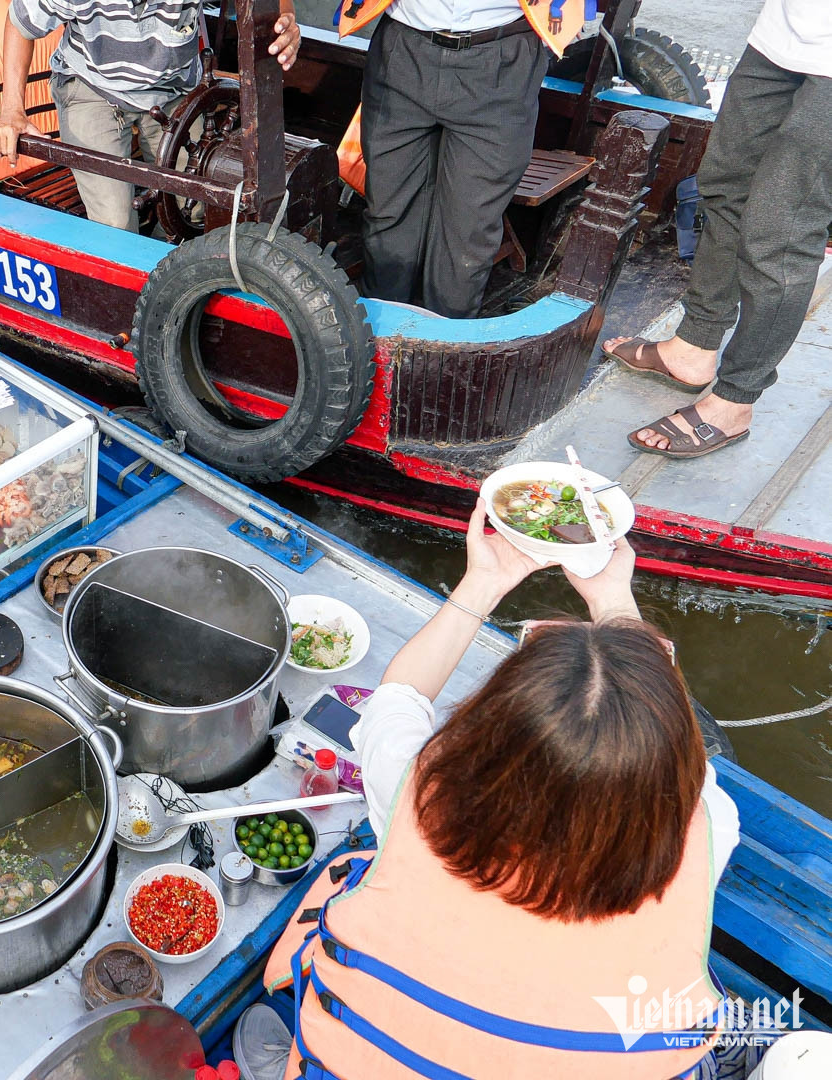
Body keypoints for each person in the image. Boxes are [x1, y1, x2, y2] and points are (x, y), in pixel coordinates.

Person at [261, 511, 741, 1079]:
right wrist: (614, 599)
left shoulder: (416, 792)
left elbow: (400, 695)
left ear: (487, 732)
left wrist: (485, 579)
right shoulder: (710, 826)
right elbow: (673, 742)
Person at [606, 0, 832, 459]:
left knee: (783, 232)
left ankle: (735, 400)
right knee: (724, 189)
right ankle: (695, 344)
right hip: (782, 35)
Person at [0, 0, 303, 231]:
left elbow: (269, 5)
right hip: (91, 85)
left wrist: (285, 16)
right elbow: (20, 24)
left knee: (200, 209)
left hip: (172, 88)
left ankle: (168, 272)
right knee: (114, 225)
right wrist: (12, 110)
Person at [349, 0, 559, 317]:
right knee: (388, 212)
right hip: (402, 48)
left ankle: (444, 347)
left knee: (469, 235)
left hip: (503, 56)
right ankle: (378, 334)